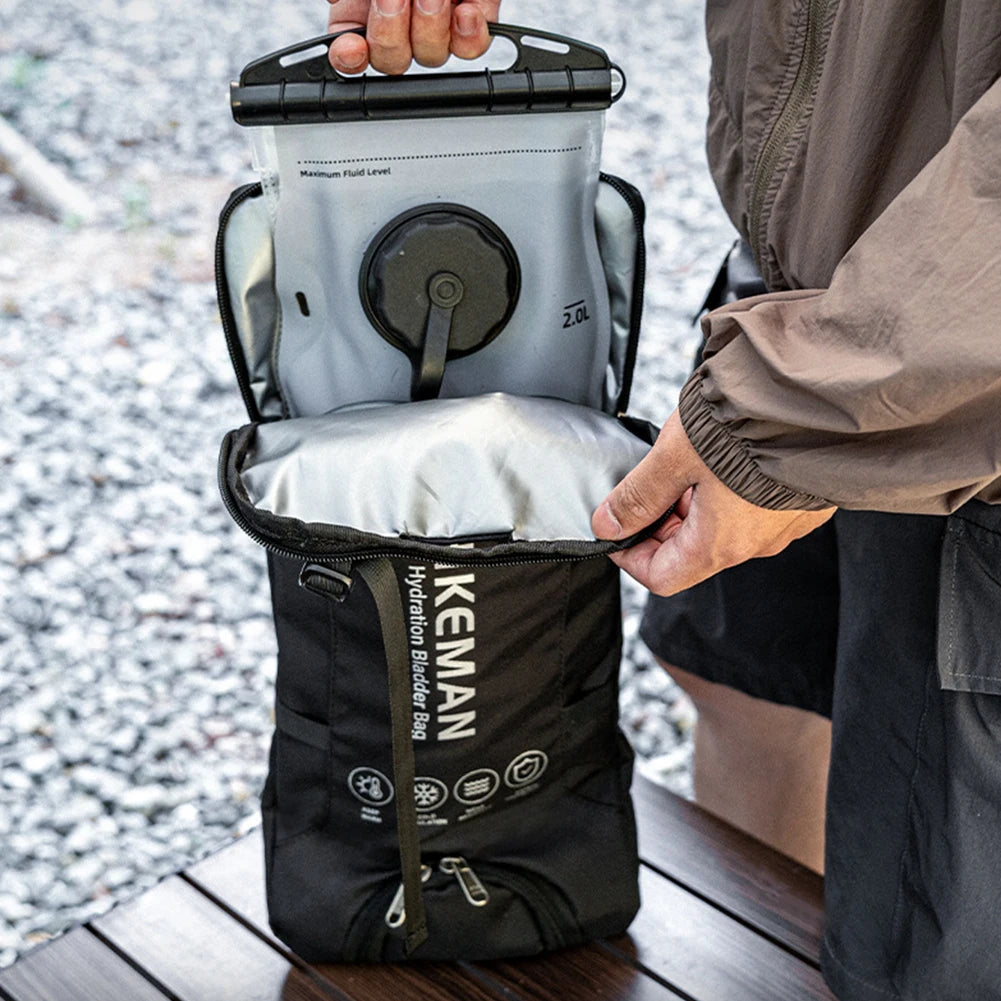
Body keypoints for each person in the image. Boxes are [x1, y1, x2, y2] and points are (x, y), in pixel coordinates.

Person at [323, 4, 1001, 999]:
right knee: (746, 685)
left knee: (926, 918)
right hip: (804, 284)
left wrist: (793, 419)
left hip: (951, 371)